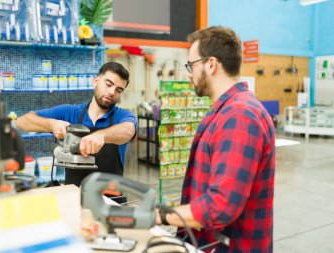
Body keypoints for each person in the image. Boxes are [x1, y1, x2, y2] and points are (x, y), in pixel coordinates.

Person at [155, 26, 275, 252]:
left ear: (211, 64)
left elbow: (221, 206)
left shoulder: (240, 116)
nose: (189, 73)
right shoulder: (226, 110)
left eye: (191, 65)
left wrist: (161, 215)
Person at [16, 62, 137, 190]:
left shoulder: (123, 116)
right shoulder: (70, 112)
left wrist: (102, 135)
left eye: (119, 90)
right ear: (95, 81)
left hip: (111, 202)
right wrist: (52, 124)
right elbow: (22, 121)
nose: (112, 92)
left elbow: (128, 130)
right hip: (74, 199)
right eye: (108, 84)